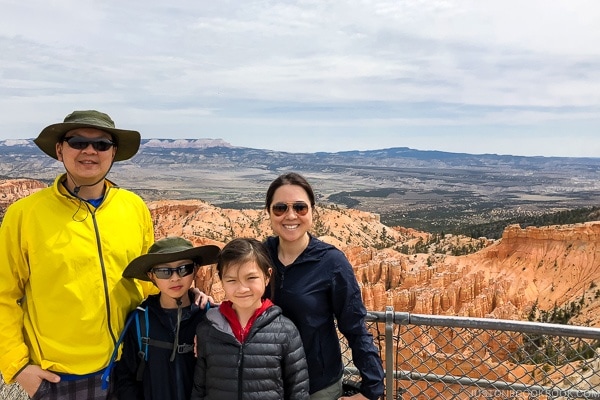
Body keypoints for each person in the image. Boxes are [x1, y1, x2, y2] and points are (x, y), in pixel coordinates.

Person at [0, 110, 158, 399]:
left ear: (113, 153)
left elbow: (149, 281)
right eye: (77, 142)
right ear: (60, 150)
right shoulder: (24, 215)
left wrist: (190, 300)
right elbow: (3, 295)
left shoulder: (133, 208)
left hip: (132, 362)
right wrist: (19, 367)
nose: (90, 151)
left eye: (101, 144)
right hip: (59, 376)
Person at [263, 172, 385, 400]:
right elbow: (235, 293)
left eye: (300, 208)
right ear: (269, 212)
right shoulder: (260, 256)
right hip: (265, 384)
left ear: (312, 211)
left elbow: (355, 327)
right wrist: (205, 308)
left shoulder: (331, 263)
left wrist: (372, 390)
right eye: (280, 208)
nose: (290, 216)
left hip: (317, 386)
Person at [191, 237, 310, 400]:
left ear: (267, 276)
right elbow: (200, 387)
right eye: (231, 280)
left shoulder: (285, 331)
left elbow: (298, 391)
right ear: (222, 281)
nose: (242, 288)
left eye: (251, 278)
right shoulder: (208, 329)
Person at [113, 236, 220, 400]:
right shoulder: (140, 320)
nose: (175, 278)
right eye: (164, 271)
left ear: (196, 269)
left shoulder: (209, 317)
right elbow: (126, 378)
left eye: (184, 268)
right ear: (151, 276)